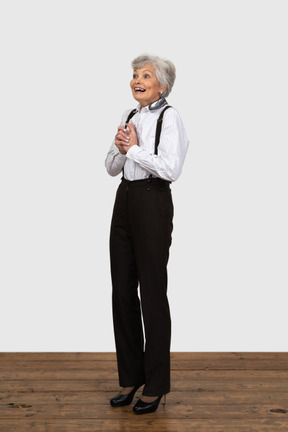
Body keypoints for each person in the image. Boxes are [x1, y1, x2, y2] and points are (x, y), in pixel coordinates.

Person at [105, 54, 189, 415]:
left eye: (145, 75)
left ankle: (156, 385)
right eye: (134, 75)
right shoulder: (129, 117)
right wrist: (122, 149)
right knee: (121, 288)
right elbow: (110, 167)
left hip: (153, 202)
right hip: (124, 199)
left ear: (162, 84)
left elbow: (171, 169)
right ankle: (131, 376)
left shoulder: (171, 118)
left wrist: (135, 149)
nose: (136, 80)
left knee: (152, 291)